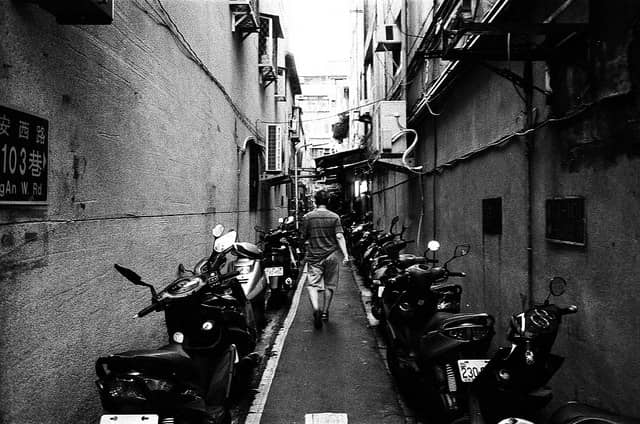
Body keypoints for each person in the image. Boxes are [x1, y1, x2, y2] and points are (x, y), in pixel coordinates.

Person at [300, 189, 351, 329]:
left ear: (315, 201)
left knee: (312, 284)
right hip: (332, 255)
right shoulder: (334, 217)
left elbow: (303, 236)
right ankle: (324, 312)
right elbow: (340, 236)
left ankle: (316, 308)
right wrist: (346, 255)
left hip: (314, 256)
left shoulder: (308, 217)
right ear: (328, 201)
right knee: (330, 284)